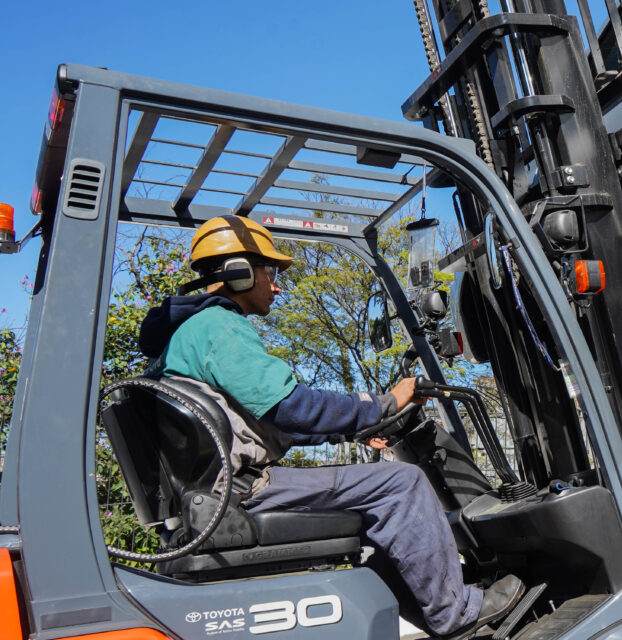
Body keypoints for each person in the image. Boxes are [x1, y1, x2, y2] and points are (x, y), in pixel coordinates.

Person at [137, 215, 522, 639]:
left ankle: (426, 605)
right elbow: (293, 408)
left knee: (382, 492)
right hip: (241, 490)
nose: (278, 285)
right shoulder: (218, 328)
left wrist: (353, 428)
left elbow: (266, 420)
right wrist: (385, 402)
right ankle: (457, 613)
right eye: (270, 272)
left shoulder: (183, 336)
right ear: (240, 273)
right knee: (402, 484)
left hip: (215, 491)